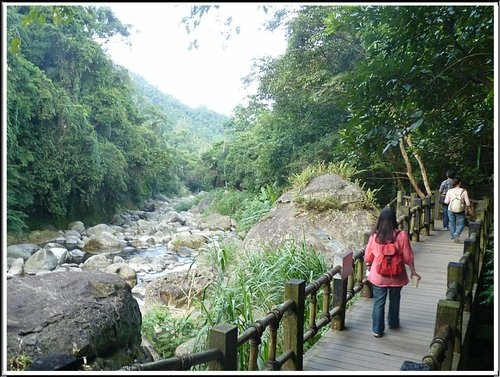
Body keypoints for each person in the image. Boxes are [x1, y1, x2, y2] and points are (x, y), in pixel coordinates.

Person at [364, 207, 421, 338]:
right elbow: (408, 257)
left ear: (380, 220)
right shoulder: (402, 235)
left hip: (379, 276)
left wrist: (368, 266)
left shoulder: (375, 236)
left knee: (379, 301)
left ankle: (377, 330)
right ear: (394, 219)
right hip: (397, 274)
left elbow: (368, 256)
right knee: (395, 298)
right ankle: (393, 322)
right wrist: (413, 272)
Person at [444, 177, 471, 243]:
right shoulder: (464, 191)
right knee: (461, 224)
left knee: (452, 223)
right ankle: (457, 233)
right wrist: (469, 208)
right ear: (460, 183)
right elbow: (467, 203)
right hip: (460, 209)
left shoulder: (450, 191)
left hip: (451, 209)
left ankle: (453, 236)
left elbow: (446, 202)